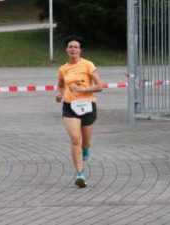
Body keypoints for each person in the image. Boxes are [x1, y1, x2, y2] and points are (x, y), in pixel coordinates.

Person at [56, 35, 103, 188]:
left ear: (80, 50)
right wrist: (60, 94)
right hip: (70, 107)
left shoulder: (88, 65)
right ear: (66, 50)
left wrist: (84, 89)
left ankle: (86, 149)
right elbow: (61, 85)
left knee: (85, 142)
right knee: (76, 139)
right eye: (70, 46)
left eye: (76, 47)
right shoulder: (63, 69)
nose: (73, 49)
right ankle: (80, 174)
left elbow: (100, 86)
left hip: (88, 105)